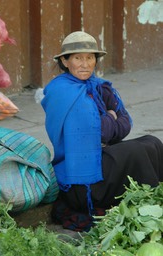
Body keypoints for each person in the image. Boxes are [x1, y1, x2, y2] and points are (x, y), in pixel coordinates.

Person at [41, 31, 163, 232]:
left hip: (101, 157)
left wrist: (108, 121)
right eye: (78, 58)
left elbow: (125, 125)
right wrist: (110, 117)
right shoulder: (62, 91)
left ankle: (155, 200)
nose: (85, 64)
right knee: (135, 153)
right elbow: (101, 132)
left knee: (152, 142)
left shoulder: (98, 86)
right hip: (81, 180)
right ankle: (147, 210)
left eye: (90, 58)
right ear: (64, 61)